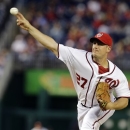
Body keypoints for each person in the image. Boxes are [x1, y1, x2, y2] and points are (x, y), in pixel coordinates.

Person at [15, 12, 130, 130]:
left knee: (89, 122)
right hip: (82, 105)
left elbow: (124, 100)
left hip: (103, 106)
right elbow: (53, 46)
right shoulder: (78, 57)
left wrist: (111, 105)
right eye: (94, 42)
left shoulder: (117, 74)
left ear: (108, 48)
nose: (95, 46)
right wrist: (29, 27)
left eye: (100, 44)